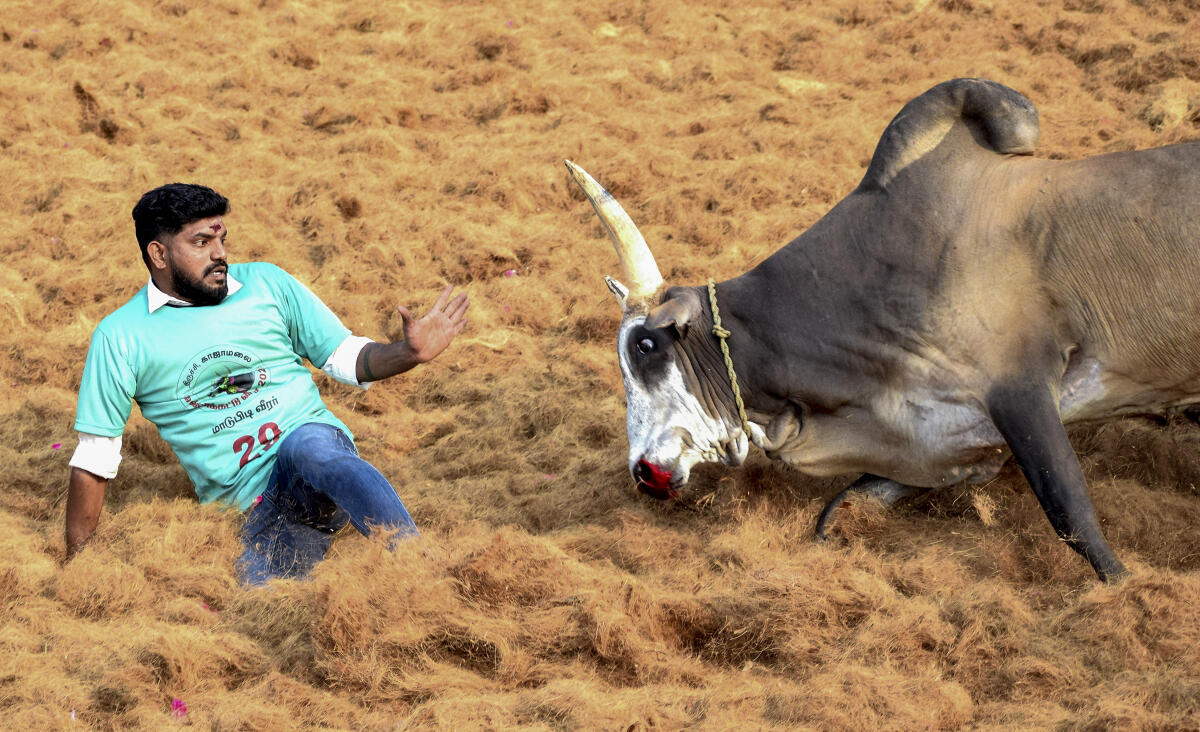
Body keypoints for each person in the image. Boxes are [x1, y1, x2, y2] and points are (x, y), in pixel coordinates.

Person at [65, 183, 468, 584]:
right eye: (201, 242)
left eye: (220, 238)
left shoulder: (266, 283)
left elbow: (344, 356)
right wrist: (78, 565)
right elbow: (95, 459)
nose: (219, 253)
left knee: (307, 446)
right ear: (159, 254)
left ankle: (423, 571)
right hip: (256, 510)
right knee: (265, 605)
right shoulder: (120, 336)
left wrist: (407, 353)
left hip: (319, 459)